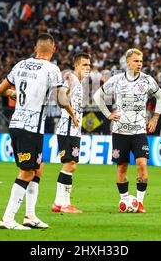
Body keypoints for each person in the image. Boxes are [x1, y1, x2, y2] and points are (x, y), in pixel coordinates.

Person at [0, 33, 78, 230]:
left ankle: (30, 216)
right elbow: (61, 99)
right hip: (30, 127)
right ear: (54, 49)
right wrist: (72, 114)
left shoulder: (21, 65)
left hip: (17, 123)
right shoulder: (52, 69)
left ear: (35, 47)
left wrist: (14, 94)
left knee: (38, 168)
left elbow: (0, 89)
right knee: (26, 172)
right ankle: (7, 218)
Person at [93, 48, 161, 213]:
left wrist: (155, 118)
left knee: (142, 165)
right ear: (127, 62)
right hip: (120, 132)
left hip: (139, 131)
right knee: (122, 168)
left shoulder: (147, 80)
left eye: (141, 61)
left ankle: (139, 203)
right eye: (136, 61)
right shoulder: (117, 80)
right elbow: (98, 96)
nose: (139, 64)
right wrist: (108, 114)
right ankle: (124, 201)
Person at [51, 52, 91, 214]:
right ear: (76, 66)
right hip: (67, 128)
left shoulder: (79, 82)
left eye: (89, 65)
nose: (87, 68)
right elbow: (61, 97)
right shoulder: (70, 78)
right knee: (70, 164)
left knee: (70, 164)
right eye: (84, 65)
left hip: (73, 130)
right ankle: (65, 204)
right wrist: (73, 115)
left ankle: (58, 203)